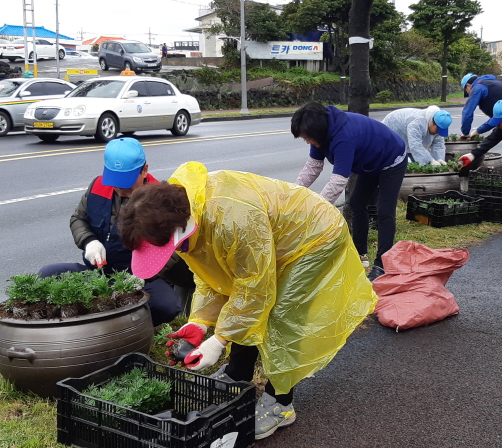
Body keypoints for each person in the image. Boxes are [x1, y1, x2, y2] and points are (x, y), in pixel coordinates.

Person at [117, 161, 377, 440]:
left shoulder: (232, 219)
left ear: (180, 229)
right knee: (245, 302)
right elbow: (214, 278)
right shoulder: (180, 213)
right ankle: (237, 375)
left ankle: (281, 403)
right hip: (273, 239)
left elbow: (255, 290)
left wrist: (220, 340)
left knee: (282, 317)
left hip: (312, 237)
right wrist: (201, 322)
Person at [38, 137, 194, 325]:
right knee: (48, 273)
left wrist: (145, 276)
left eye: (126, 184)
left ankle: (133, 330)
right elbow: (78, 219)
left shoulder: (160, 198)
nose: (120, 191)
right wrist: (89, 242)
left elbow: (175, 248)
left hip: (139, 277)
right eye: (116, 183)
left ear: (144, 170)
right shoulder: (97, 187)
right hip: (98, 273)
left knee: (167, 305)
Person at [291, 102, 407, 282]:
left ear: (317, 131)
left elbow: (338, 181)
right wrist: (293, 194)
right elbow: (313, 167)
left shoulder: (343, 137)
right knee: (356, 204)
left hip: (391, 159)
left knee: (385, 212)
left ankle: (382, 264)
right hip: (369, 163)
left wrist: (317, 208)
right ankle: (360, 255)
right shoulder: (320, 134)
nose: (307, 142)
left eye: (307, 138)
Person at [460, 73, 502, 175]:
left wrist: (465, 133)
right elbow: (497, 118)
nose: (469, 94)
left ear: (468, 85)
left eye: (467, 92)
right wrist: (478, 130)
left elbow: (468, 111)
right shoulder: (493, 83)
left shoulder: (478, 87)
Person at [381, 106, 453, 167]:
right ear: (433, 123)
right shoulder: (417, 122)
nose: (438, 133)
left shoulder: (437, 122)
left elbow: (438, 144)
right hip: (391, 131)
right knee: (399, 162)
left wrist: (438, 159)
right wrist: (430, 161)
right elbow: (415, 145)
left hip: (406, 137)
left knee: (416, 159)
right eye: (438, 130)